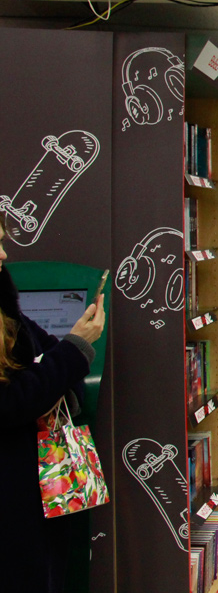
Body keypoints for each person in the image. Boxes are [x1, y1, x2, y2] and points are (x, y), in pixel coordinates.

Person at [0, 223, 106, 592]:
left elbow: (49, 352)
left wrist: (63, 365)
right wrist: (74, 350)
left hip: (37, 483)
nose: (4, 254)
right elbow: (10, 403)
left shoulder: (8, 311)